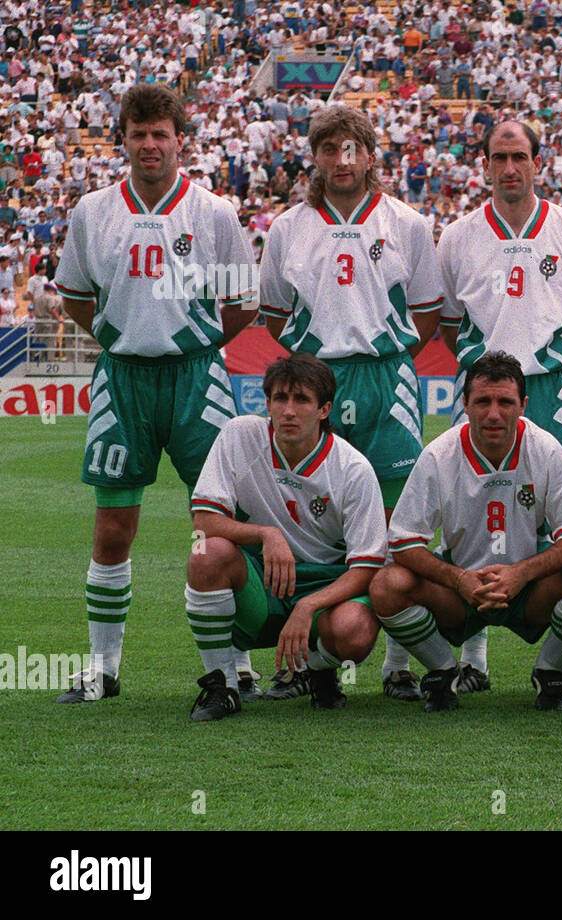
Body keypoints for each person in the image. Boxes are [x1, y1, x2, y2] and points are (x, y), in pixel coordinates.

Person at [53, 84, 257, 704]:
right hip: (123, 380)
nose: (149, 145)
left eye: (160, 134)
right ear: (123, 140)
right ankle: (103, 671)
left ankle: (235, 668)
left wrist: (191, 340)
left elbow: (243, 304)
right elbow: (75, 298)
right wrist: (125, 338)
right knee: (113, 527)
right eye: (138, 134)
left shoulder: (212, 212)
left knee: (220, 525)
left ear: (179, 140)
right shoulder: (93, 211)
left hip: (198, 380)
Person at [257, 104, 440, 705]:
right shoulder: (288, 227)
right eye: (331, 148)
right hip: (317, 383)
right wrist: (311, 365)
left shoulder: (407, 222)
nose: (343, 159)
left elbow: (431, 311)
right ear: (315, 155)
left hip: (388, 381)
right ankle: (308, 662)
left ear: (370, 154)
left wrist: (389, 348)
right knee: (309, 516)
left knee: (397, 526)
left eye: (353, 148)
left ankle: (397, 665)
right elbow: (273, 314)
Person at [433, 118, 562, 696]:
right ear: (484, 164)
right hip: (484, 393)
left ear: (539, 162)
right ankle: (473, 651)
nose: (510, 168)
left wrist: (550, 362)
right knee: (468, 512)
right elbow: (446, 323)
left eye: (520, 157)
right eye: (499, 157)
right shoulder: (457, 235)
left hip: (554, 392)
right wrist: (489, 377)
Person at [369, 352, 562, 712]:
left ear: (524, 405)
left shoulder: (544, 448)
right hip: (459, 592)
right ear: (464, 404)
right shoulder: (439, 455)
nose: (494, 413)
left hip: (528, 589)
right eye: (482, 401)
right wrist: (458, 578)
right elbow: (403, 541)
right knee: (387, 585)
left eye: (505, 402)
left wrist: (521, 573)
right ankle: (442, 670)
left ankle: (550, 671)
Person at [185, 354, 387, 721]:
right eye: (280, 399)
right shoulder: (240, 435)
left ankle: (318, 667)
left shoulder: (353, 469)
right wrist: (266, 534)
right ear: (267, 404)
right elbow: (204, 521)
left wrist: (308, 606)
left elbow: (367, 567)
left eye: (302, 400)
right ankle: (223, 684)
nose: (289, 411)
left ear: (324, 409)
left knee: (354, 632)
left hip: (326, 584)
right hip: (263, 580)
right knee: (205, 551)